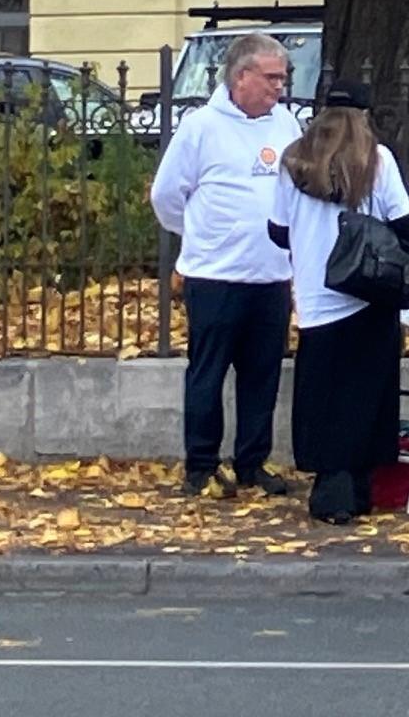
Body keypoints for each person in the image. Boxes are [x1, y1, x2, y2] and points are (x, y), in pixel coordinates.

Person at [149, 33, 301, 498]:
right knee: (207, 373)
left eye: (283, 78)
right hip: (215, 276)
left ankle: (252, 463)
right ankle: (201, 466)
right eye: (272, 77)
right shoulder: (201, 128)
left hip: (271, 275)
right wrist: (200, 235)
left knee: (262, 376)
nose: (280, 87)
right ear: (241, 76)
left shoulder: (287, 125)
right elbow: (167, 195)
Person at [266, 81, 409, 525]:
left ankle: (329, 486)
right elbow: (405, 220)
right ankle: (358, 487)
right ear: (364, 117)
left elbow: (277, 230)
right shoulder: (376, 159)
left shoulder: (294, 161)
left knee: (322, 394)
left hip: (315, 295)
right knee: (366, 394)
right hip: (367, 293)